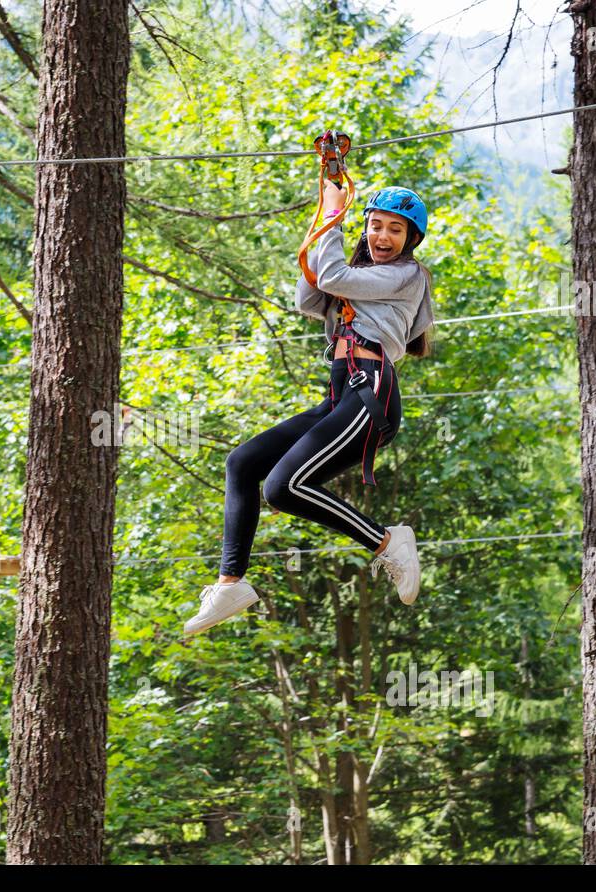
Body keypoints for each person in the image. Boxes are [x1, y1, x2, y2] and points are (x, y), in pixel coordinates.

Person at [183, 183, 435, 635]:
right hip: (341, 396)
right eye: (375, 225)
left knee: (282, 488)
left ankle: (387, 541)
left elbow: (334, 278)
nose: (382, 236)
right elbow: (309, 296)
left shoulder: (406, 275)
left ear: (410, 240)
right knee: (242, 463)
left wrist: (333, 222)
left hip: (370, 391)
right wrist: (324, 219)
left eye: (395, 230)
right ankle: (230, 583)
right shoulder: (357, 273)